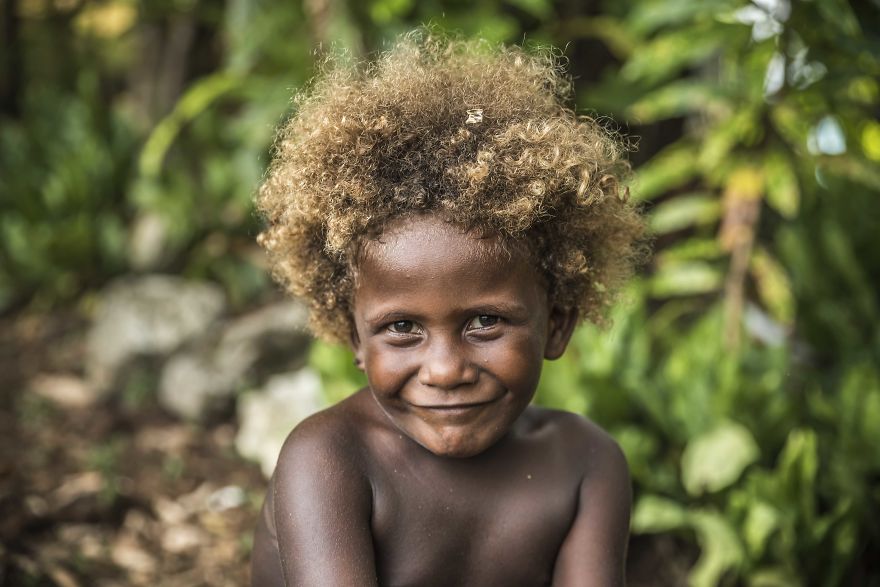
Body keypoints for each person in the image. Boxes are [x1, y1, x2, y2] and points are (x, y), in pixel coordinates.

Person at [250, 30, 645, 587]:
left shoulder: (585, 464)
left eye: (485, 321)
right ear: (355, 338)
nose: (445, 370)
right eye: (403, 327)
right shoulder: (329, 460)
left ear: (556, 324)